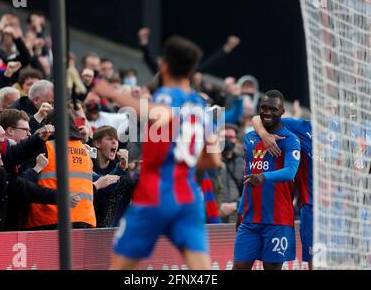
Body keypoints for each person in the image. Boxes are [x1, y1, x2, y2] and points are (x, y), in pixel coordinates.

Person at [95, 35, 222, 270]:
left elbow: (161, 113)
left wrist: (111, 93)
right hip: (189, 197)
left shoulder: (165, 96)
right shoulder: (201, 105)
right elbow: (214, 159)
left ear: (163, 65)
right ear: (193, 70)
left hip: (155, 194)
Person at [234, 90, 301, 270]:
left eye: (273, 109)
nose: (267, 112)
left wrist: (264, 176)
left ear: (282, 112)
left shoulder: (290, 140)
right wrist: (240, 211)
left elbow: (290, 172)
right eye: (263, 108)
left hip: (278, 221)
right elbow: (248, 177)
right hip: (249, 221)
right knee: (238, 267)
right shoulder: (250, 138)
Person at [252, 114, 313, 269]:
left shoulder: (344, 131)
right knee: (317, 264)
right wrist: (264, 135)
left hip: (341, 209)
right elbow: (257, 118)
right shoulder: (300, 127)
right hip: (312, 208)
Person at [25, 112, 96, 230]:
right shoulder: (84, 150)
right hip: (83, 218)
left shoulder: (46, 147)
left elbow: (25, 183)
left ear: (50, 126)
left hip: (50, 218)